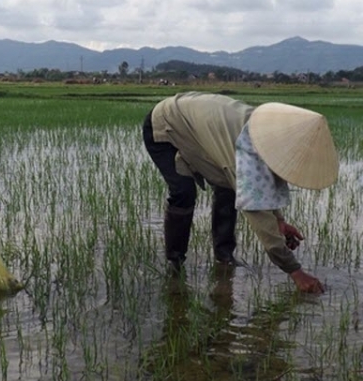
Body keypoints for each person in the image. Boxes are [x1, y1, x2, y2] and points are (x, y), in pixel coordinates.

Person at [142, 91, 339, 294]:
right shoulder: (246, 152)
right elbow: (260, 218)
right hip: (165, 124)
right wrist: (296, 273)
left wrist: (279, 220)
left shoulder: (267, 134)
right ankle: (175, 264)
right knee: (184, 192)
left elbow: (267, 176)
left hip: (198, 121)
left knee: (228, 189)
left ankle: (224, 257)